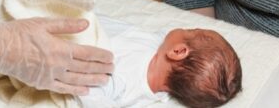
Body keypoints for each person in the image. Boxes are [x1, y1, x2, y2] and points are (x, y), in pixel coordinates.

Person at [80, 16, 243, 108]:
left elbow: (91, 95)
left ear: (178, 52)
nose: (186, 28)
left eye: (192, 31)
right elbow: (168, 34)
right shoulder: (160, 47)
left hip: (73, 33)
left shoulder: (125, 80)